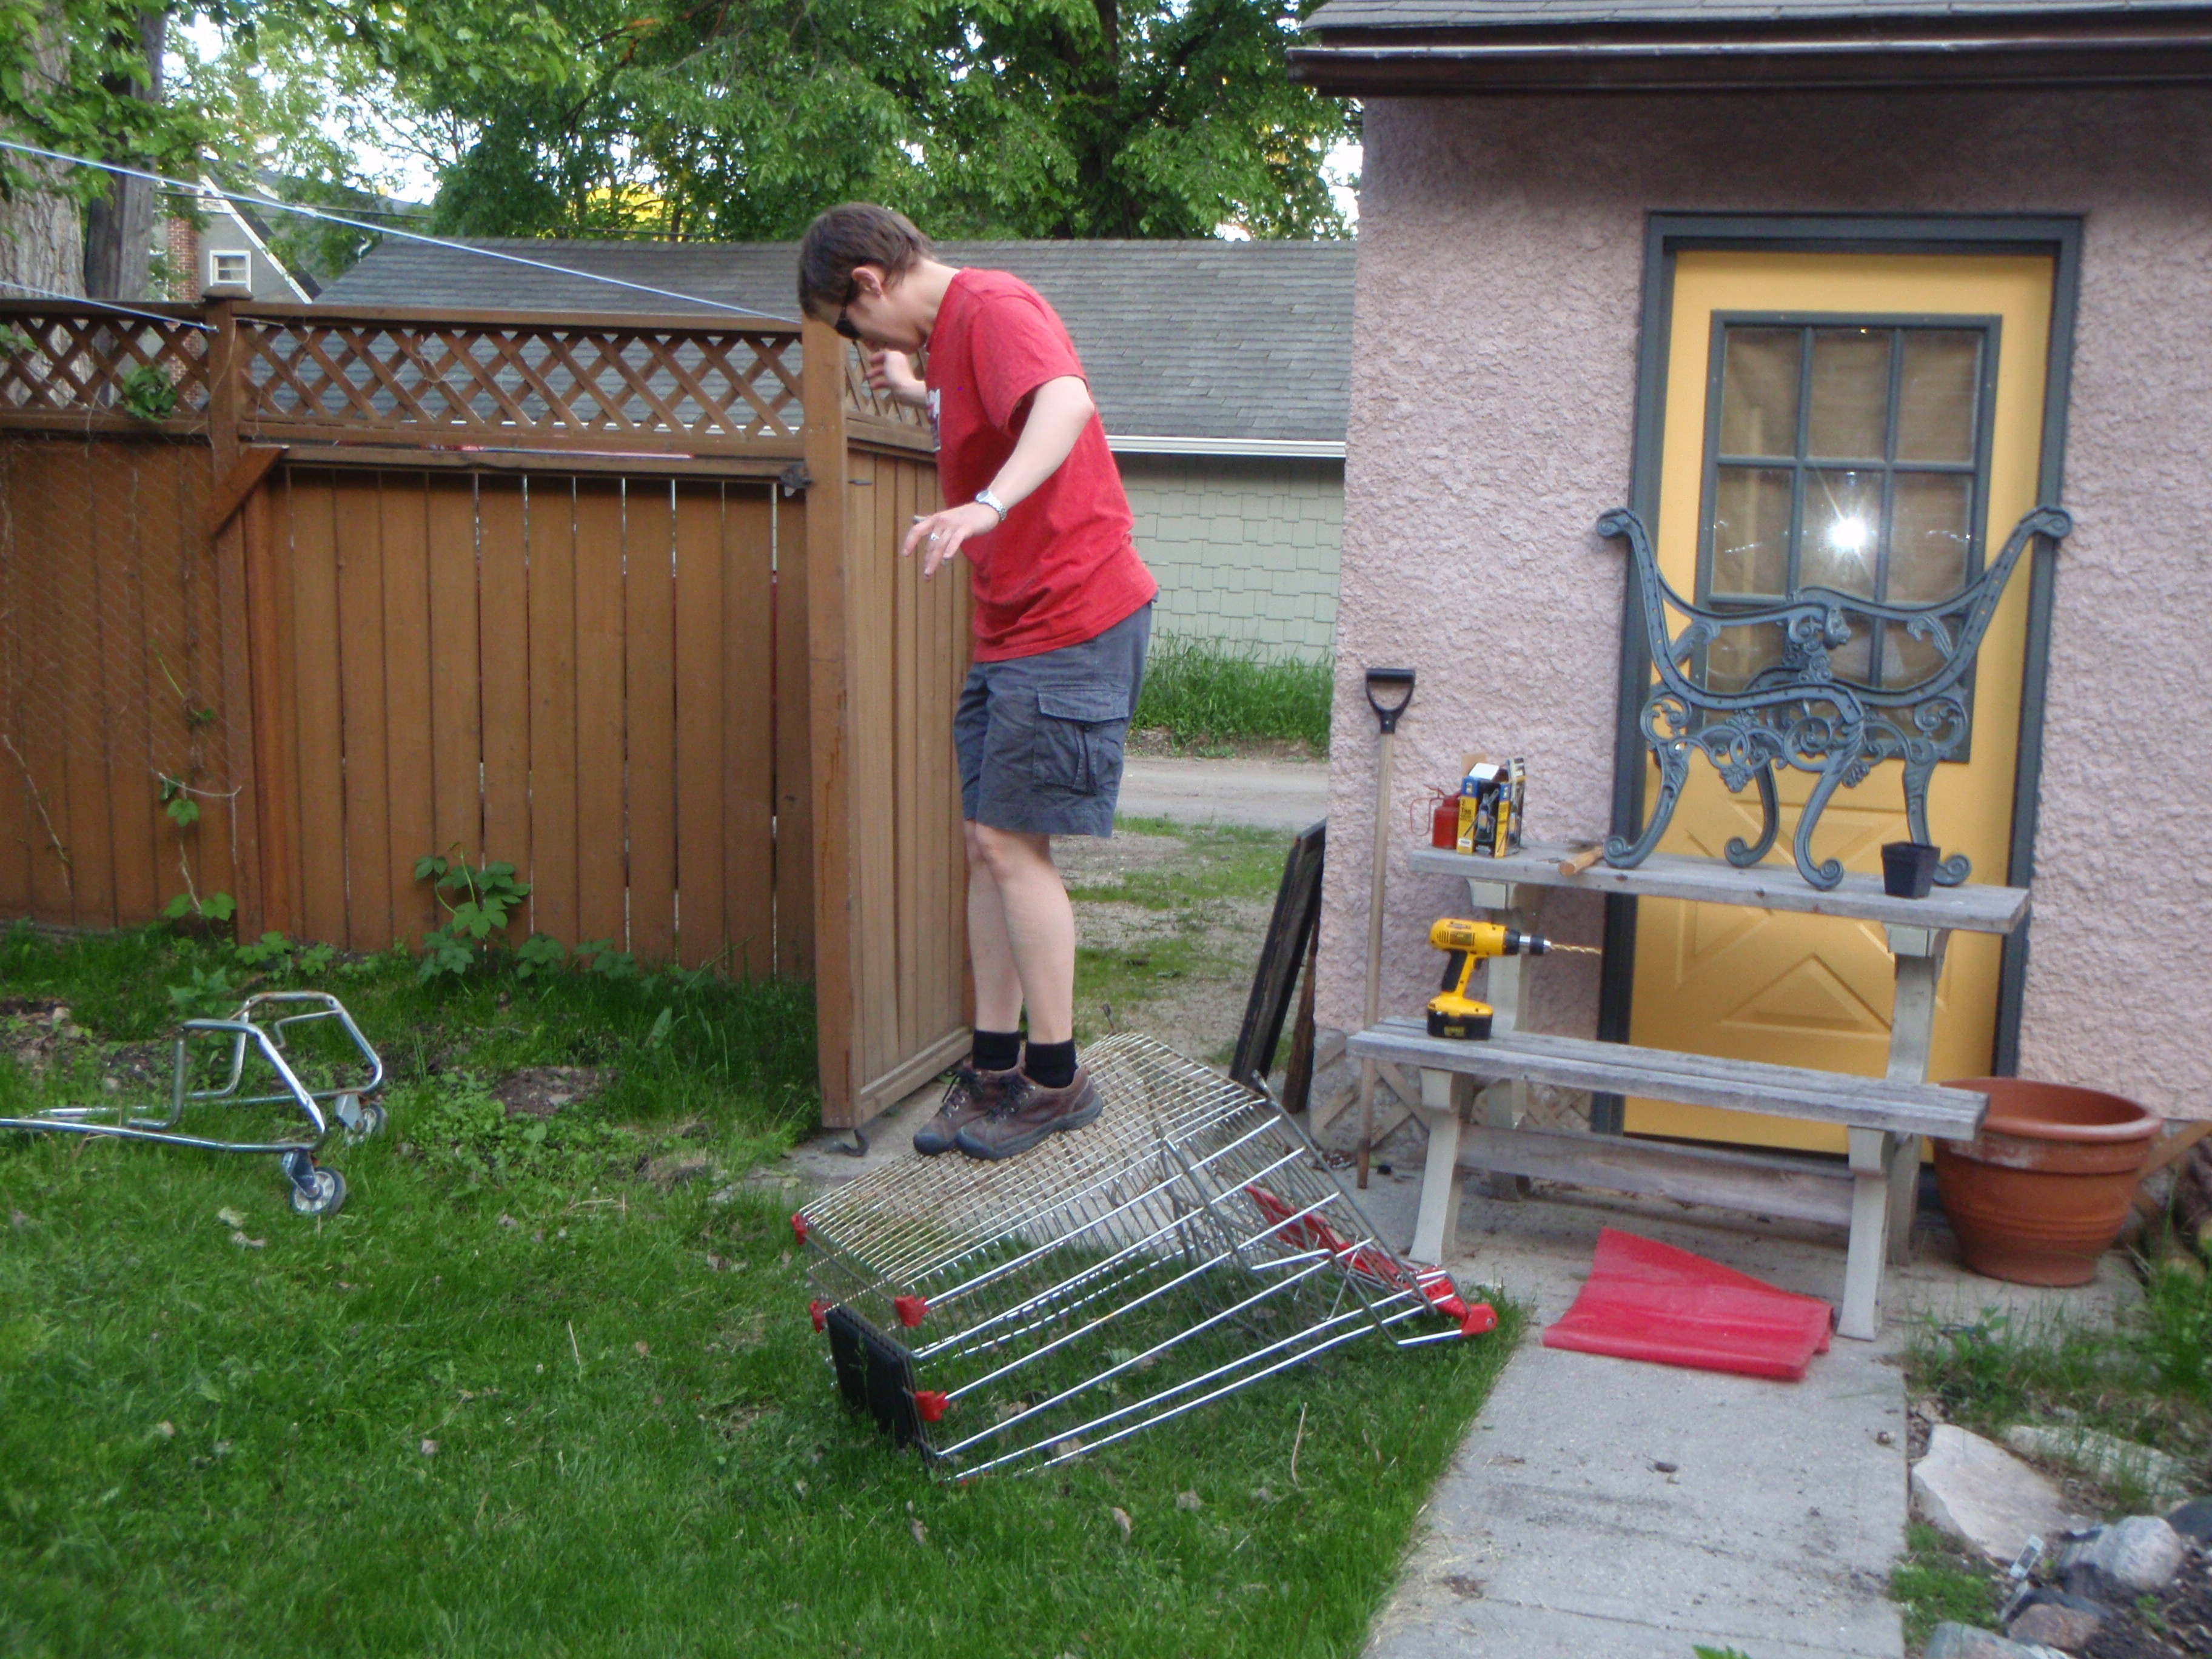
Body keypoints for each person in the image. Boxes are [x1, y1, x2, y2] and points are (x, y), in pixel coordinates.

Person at [796, 204, 1157, 1161]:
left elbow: (1063, 403)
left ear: (867, 283)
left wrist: (987, 506)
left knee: (1008, 842)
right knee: (985, 842)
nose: (860, 343)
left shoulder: (992, 305)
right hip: (1012, 626)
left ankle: (1057, 1078)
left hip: (1073, 615)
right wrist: (921, 393)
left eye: (851, 324)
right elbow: (991, 413)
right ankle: (995, 1066)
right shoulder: (952, 342)